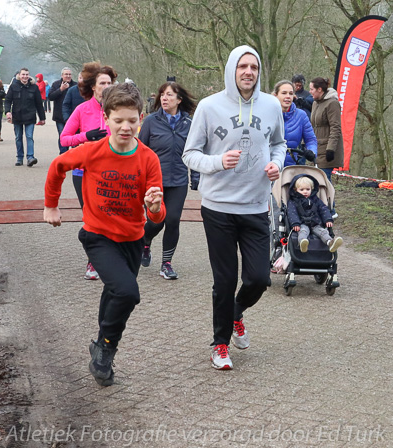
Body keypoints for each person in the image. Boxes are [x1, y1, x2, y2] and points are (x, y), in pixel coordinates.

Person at [43, 83, 165, 386]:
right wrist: (51, 206)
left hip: (133, 239)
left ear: (141, 119)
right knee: (127, 292)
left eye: (133, 120)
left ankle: (101, 346)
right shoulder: (92, 151)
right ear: (106, 119)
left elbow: (157, 216)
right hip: (98, 236)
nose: (126, 127)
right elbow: (58, 166)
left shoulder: (148, 159)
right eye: (119, 120)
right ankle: (108, 349)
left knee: (115, 292)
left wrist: (154, 207)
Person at [182, 45, 286, 370]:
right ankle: (220, 344)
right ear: (232, 69)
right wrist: (216, 162)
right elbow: (190, 153)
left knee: (259, 278)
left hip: (256, 207)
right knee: (224, 280)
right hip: (218, 209)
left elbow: (279, 144)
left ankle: (236, 312)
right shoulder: (209, 107)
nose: (248, 72)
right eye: (242, 66)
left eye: (253, 67)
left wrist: (277, 165)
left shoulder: (270, 105)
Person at [60, 62, 117, 280]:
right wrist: (87, 136)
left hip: (112, 172)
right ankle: (93, 262)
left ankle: (112, 257)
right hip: (84, 172)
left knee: (110, 215)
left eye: (109, 83)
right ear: (93, 86)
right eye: (102, 83)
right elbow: (64, 139)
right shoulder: (82, 109)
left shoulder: (117, 108)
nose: (106, 86)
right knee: (92, 217)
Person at [138, 81, 199, 280]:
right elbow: (140, 150)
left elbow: (194, 152)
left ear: (179, 100)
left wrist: (195, 177)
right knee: (156, 221)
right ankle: (145, 241)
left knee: (172, 220)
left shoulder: (189, 124)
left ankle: (166, 263)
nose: (164, 98)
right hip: (154, 180)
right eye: (163, 94)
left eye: (170, 95)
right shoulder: (150, 122)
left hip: (179, 180)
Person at [288, 175, 343, 253]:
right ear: (296, 190)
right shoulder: (293, 201)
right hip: (302, 224)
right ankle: (302, 243)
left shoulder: (316, 200)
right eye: (302, 189)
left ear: (312, 189)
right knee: (303, 231)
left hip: (316, 223)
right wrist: (295, 223)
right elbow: (292, 213)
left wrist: (328, 219)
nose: (305, 191)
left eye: (308, 189)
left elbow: (323, 209)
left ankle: (330, 243)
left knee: (323, 232)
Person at [4, 67, 46, 167]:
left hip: (30, 116)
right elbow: (8, 100)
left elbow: (39, 104)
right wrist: (7, 112)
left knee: (29, 136)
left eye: (27, 75)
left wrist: (42, 118)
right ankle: (19, 157)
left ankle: (30, 157)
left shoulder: (34, 87)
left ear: (29, 76)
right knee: (18, 137)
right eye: (23, 74)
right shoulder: (13, 86)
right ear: (19, 75)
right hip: (17, 116)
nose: (25, 76)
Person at [273, 80, 317, 166]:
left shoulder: (301, 115)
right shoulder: (266, 114)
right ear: (275, 95)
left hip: (290, 167)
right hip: (268, 166)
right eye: (284, 93)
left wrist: (312, 151)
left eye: (290, 93)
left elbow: (311, 139)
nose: (288, 96)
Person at [309, 77, 343, 181]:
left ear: (319, 89)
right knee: (317, 182)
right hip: (317, 149)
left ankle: (329, 198)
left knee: (324, 182)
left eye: (311, 89)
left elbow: (335, 127)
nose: (310, 92)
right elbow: (313, 125)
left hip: (327, 150)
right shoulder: (315, 103)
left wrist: (330, 149)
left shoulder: (332, 103)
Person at [48, 67, 77, 154]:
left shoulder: (76, 85)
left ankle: (75, 155)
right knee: (62, 135)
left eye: (69, 74)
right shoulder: (56, 84)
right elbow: (50, 97)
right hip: (59, 116)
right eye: (66, 74)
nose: (68, 76)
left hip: (73, 116)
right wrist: (60, 90)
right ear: (62, 75)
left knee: (74, 137)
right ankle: (63, 155)